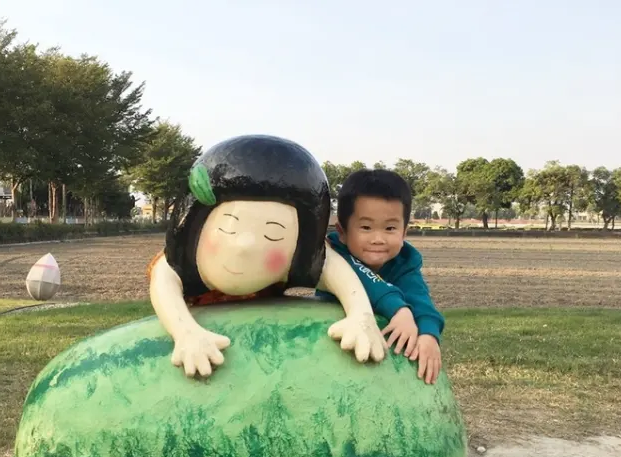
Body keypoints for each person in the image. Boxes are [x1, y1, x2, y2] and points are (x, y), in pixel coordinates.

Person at [147, 134, 389, 378]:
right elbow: (164, 282)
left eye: (273, 234)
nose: (245, 246)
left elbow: (339, 275)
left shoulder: (308, 259)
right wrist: (185, 332)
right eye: (228, 227)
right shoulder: (181, 264)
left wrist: (361, 317)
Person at [315, 168, 445, 384]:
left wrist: (429, 335)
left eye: (390, 228)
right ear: (343, 232)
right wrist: (399, 310)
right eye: (366, 227)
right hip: (331, 350)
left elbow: (420, 299)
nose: (378, 238)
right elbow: (363, 278)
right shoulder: (333, 254)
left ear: (404, 232)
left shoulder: (404, 263)